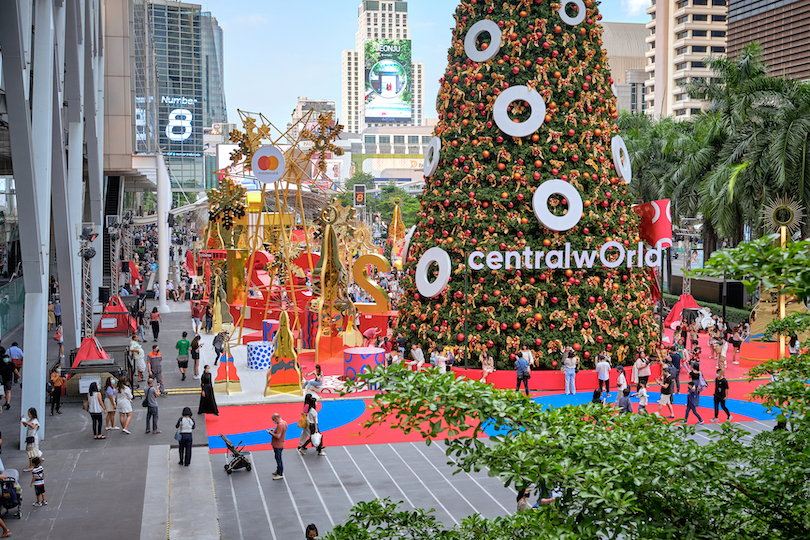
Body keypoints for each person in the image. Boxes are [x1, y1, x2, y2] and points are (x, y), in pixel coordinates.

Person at [268, 413, 287, 480]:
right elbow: (281, 432)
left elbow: (278, 436)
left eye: (274, 420)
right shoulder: (284, 422)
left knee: (278, 458)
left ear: (276, 419)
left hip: (278, 444)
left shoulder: (280, 425)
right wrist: (275, 430)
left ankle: (280, 473)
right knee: (277, 457)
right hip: (281, 443)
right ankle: (278, 470)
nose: (274, 421)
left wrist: (271, 433)